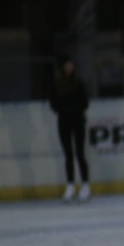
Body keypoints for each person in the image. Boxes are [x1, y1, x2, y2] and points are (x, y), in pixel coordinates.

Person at [48, 54, 91, 203]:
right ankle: (70, 186)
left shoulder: (78, 83)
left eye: (70, 64)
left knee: (80, 153)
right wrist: (63, 110)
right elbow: (53, 103)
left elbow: (85, 102)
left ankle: (85, 185)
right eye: (66, 64)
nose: (69, 67)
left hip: (78, 121)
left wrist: (75, 109)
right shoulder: (57, 84)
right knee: (68, 155)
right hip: (64, 122)